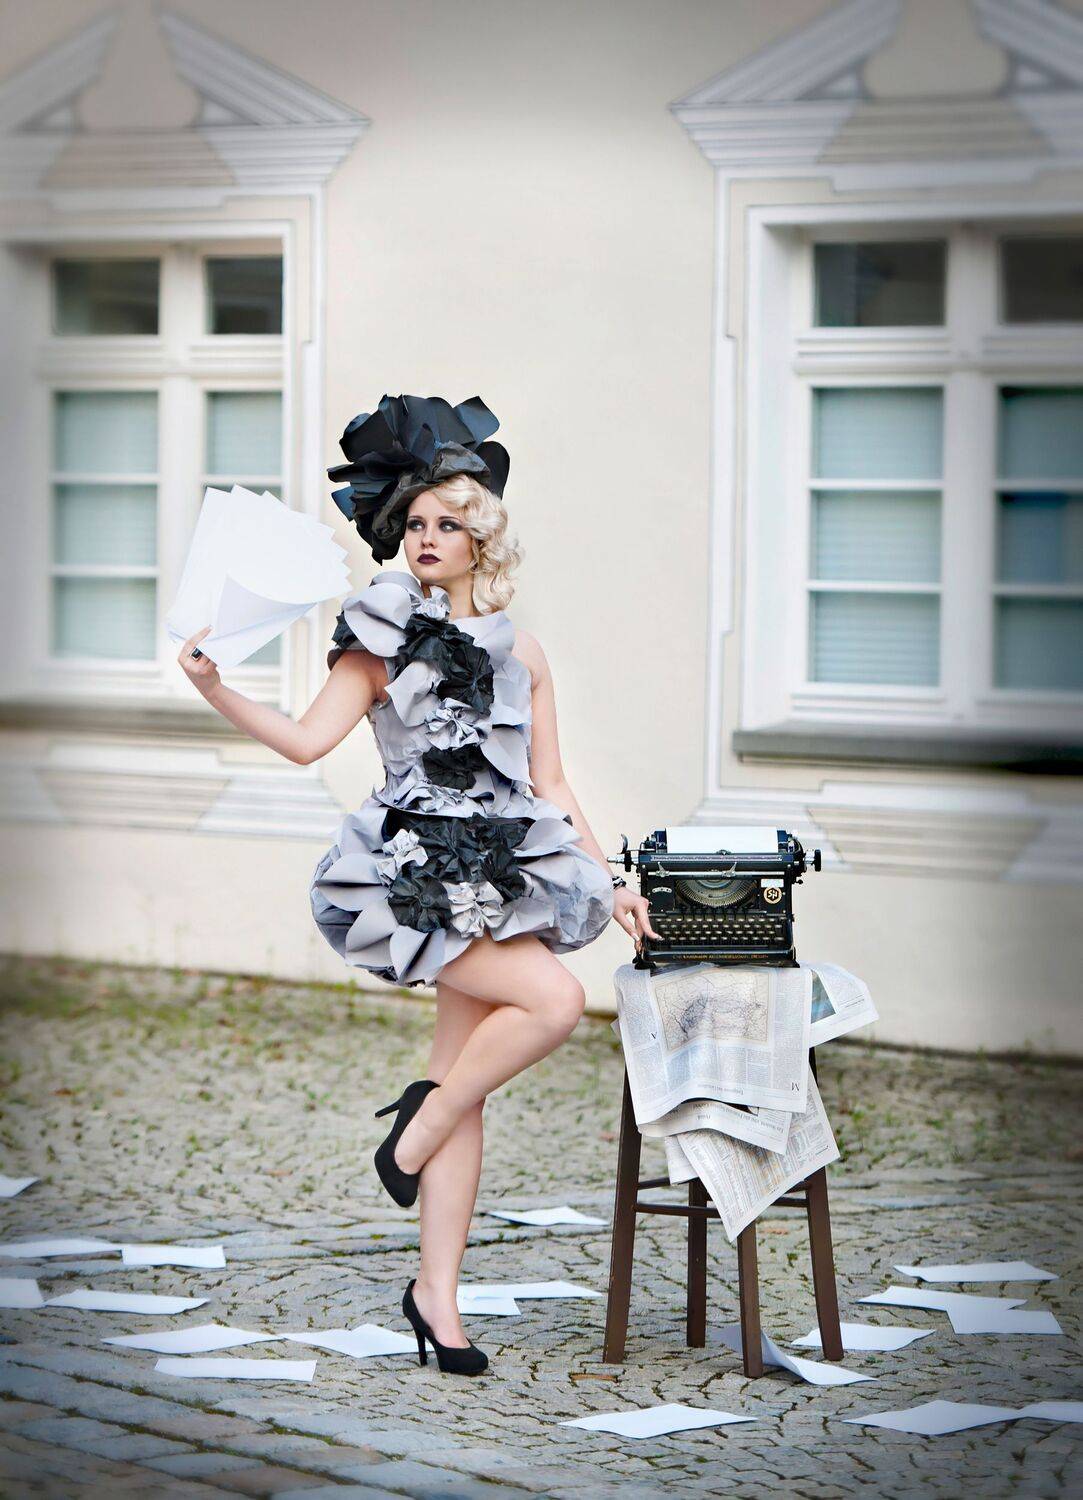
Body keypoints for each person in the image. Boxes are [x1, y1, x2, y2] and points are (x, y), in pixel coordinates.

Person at [179, 393, 658, 1376]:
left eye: (448, 524)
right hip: (414, 875)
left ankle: (437, 1296)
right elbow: (307, 741)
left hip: (501, 872)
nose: (426, 539)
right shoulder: (380, 639)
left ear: (483, 539)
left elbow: (551, 781)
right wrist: (217, 688)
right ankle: (416, 1128)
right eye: (415, 524)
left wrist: (610, 883)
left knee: (462, 1081)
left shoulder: (523, 653)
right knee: (554, 1002)